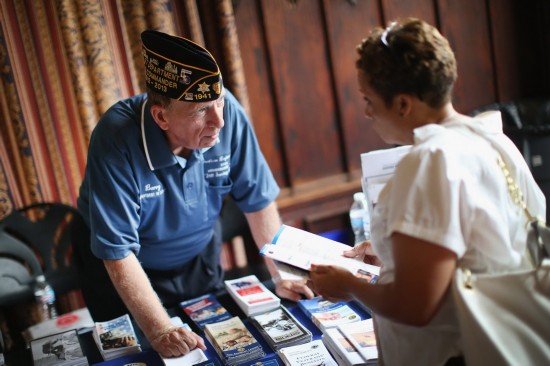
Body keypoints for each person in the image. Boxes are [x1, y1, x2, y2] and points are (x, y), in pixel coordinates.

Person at [308, 18, 545, 365]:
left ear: (403, 104)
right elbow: (482, 242)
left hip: (454, 352)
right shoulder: (494, 138)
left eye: (369, 99)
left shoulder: (430, 160)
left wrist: (349, 286)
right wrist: (394, 250)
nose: (367, 112)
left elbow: (415, 306)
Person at [76, 30, 313, 358]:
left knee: (216, 346)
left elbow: (258, 201)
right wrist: (160, 329)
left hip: (198, 255)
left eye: (219, 104)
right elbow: (117, 251)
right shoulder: (115, 139)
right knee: (137, 356)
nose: (219, 121)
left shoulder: (227, 114)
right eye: (201, 110)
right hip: (121, 270)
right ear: (161, 116)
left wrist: (282, 275)